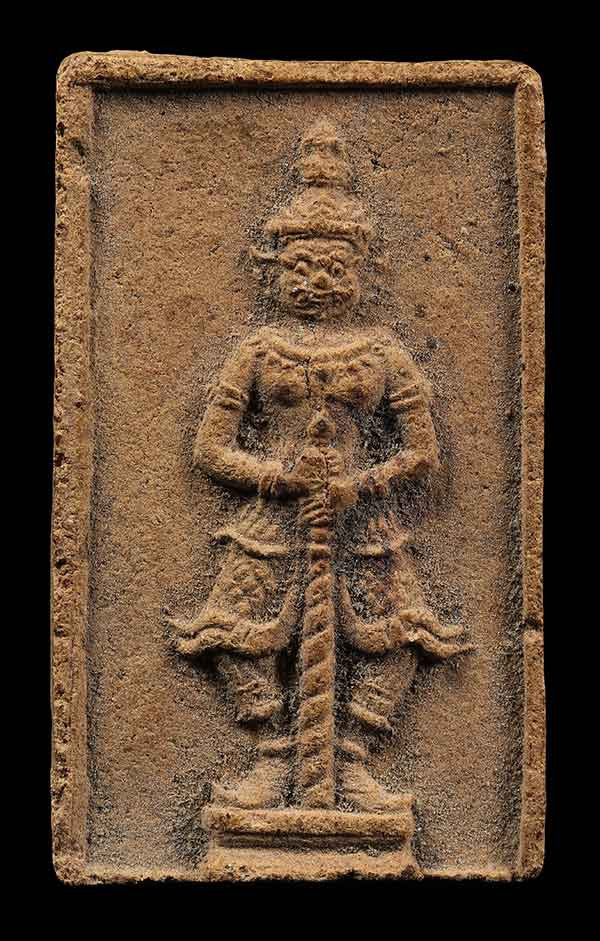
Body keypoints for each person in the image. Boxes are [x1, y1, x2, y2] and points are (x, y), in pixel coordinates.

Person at [169, 120, 470, 811]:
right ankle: (273, 755)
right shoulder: (258, 351)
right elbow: (209, 448)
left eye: (335, 269)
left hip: (363, 521)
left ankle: (356, 756)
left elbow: (423, 450)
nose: (318, 283)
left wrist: (359, 484)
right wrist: (279, 479)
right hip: (271, 522)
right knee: (231, 632)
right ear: (273, 272)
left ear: (364, 272)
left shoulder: (383, 352)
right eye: (300, 269)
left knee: (402, 634)